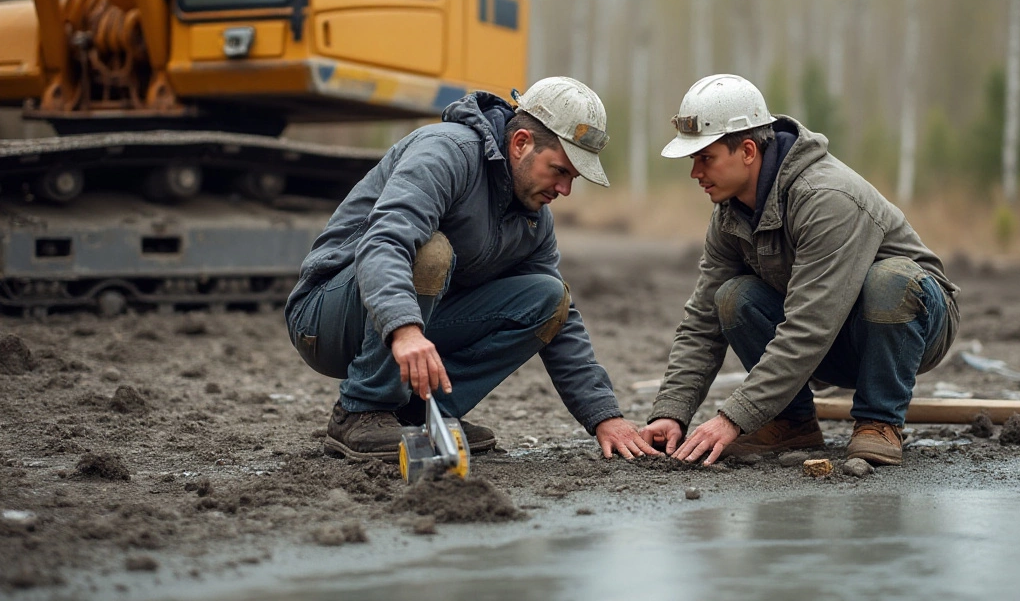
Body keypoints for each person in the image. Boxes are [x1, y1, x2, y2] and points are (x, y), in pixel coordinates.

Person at [285, 77, 658, 462]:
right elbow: (385, 242)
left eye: (572, 179)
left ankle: (418, 415)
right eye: (559, 171)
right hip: (325, 318)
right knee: (430, 250)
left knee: (549, 298)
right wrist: (405, 329)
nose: (564, 190)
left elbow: (560, 322)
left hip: (410, 325)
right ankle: (361, 410)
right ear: (521, 143)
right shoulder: (446, 151)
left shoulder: (533, 218)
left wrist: (604, 417)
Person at [640, 74, 960, 467]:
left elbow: (810, 325)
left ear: (747, 150)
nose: (695, 173)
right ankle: (791, 421)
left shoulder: (826, 198)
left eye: (705, 158)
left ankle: (879, 421)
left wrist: (731, 419)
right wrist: (671, 411)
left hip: (910, 331)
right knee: (731, 299)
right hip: (831, 338)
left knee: (890, 280)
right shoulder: (728, 215)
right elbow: (702, 320)